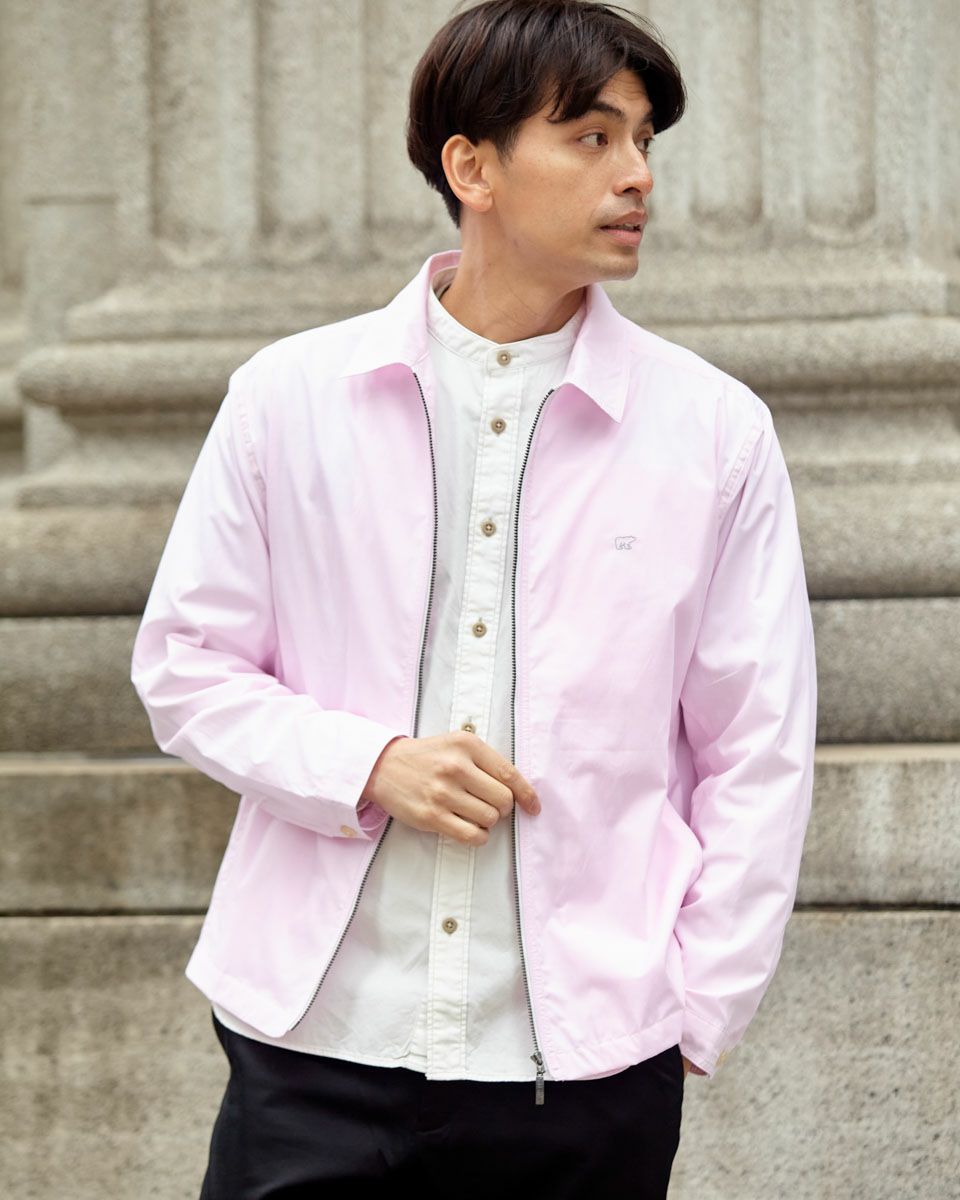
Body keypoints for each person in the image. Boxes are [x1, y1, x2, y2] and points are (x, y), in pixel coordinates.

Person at [130, 1, 818, 1196]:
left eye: (644, 140)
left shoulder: (714, 432)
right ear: (473, 167)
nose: (637, 176)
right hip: (315, 1048)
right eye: (592, 138)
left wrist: (693, 1005)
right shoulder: (289, 398)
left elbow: (757, 746)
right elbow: (185, 665)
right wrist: (368, 764)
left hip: (585, 1070)